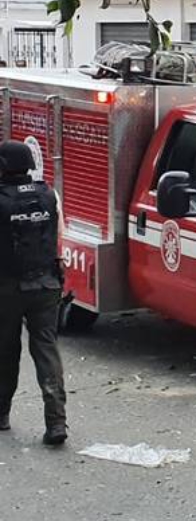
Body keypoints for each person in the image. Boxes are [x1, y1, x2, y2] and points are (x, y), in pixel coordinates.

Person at [0, 140, 68, 445]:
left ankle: (1, 414)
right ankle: (56, 423)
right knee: (46, 350)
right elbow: (60, 237)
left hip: (7, 289)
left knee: (5, 352)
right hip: (46, 285)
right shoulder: (48, 194)